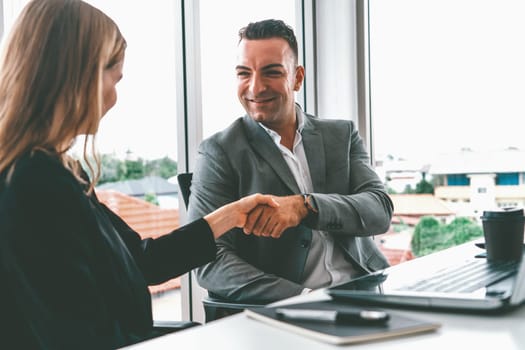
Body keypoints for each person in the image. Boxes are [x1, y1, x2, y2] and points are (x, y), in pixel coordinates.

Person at [0, 1, 278, 349]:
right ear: (77, 74)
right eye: (113, 79)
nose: (114, 98)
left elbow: (143, 260)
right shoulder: (35, 184)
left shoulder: (54, 173)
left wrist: (232, 215)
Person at [188, 19, 394, 304]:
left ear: (297, 78)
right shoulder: (219, 152)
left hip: (367, 290)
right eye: (244, 73)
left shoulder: (341, 134)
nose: (255, 88)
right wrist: (303, 298)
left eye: (271, 73)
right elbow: (209, 261)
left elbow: (379, 210)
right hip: (292, 307)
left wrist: (305, 206)